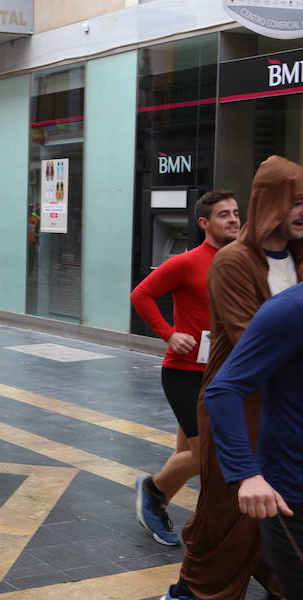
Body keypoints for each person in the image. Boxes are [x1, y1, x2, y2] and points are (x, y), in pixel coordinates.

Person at [163, 156, 303, 600]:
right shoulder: (232, 262)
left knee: (274, 518)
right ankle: (191, 593)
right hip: (236, 408)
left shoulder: (300, 256)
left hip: (282, 410)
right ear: (271, 203)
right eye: (296, 202)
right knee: (226, 518)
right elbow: (254, 341)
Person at [130, 190, 240, 547]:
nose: (233, 220)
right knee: (205, 452)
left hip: (223, 373)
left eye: (236, 213)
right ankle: (152, 490)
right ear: (204, 223)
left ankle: (156, 503)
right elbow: (140, 295)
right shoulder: (187, 262)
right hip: (185, 373)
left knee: (188, 453)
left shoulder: (242, 262)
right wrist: (168, 334)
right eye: (224, 214)